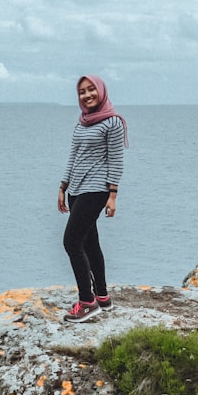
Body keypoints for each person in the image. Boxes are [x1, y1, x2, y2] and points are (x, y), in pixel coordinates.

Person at [58, 75, 127, 323]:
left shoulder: (113, 123)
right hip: (76, 188)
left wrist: (113, 195)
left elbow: (116, 160)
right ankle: (102, 296)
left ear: (101, 91)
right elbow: (73, 155)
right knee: (89, 243)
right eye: (82, 92)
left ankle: (87, 302)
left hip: (96, 189)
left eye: (91, 90)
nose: (87, 95)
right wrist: (63, 186)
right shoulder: (82, 123)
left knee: (71, 242)